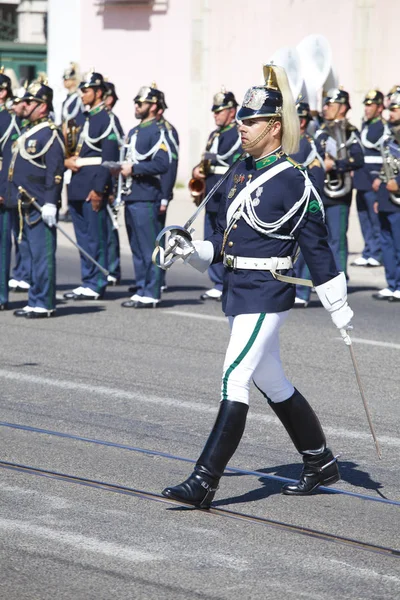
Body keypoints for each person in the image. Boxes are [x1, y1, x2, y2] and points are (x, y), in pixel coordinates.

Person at [160, 64, 353, 508]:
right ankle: (320, 460)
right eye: (241, 121)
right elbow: (230, 242)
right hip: (238, 289)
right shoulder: (239, 170)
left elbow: (318, 248)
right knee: (273, 380)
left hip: (268, 291)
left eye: (250, 122)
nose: (241, 129)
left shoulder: (294, 179)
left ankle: (204, 480)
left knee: (234, 378)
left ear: (274, 126)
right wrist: (188, 251)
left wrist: (337, 305)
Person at [9, 78, 64, 318]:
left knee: (42, 257)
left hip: (39, 205)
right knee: (30, 256)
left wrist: (51, 201)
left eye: (30, 101)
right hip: (23, 205)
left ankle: (44, 302)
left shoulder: (49, 133)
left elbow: (55, 172)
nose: (26, 105)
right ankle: (34, 299)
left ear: (42, 106)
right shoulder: (29, 131)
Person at [63, 70, 119, 301]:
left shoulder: (107, 119)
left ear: (98, 93)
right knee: (83, 238)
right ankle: (87, 280)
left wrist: (99, 190)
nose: (82, 94)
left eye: (86, 91)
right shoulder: (81, 119)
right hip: (76, 183)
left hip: (93, 185)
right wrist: (66, 160)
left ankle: (97, 282)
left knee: (96, 237)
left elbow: (108, 160)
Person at [116, 84, 169, 308]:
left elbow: (162, 163)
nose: (136, 107)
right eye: (136, 103)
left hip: (147, 196)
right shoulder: (135, 131)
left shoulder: (158, 131)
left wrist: (134, 169)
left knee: (150, 248)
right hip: (132, 195)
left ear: (153, 106)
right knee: (137, 248)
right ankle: (142, 287)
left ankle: (152, 292)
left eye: (141, 103)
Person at [191, 88, 242, 301]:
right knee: (210, 238)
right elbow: (208, 161)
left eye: (219, 111)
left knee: (226, 240)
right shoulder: (215, 135)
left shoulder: (238, 134)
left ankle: (226, 282)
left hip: (225, 193)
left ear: (232, 111)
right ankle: (216, 281)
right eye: (214, 111)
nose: (215, 114)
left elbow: (235, 166)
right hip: (211, 194)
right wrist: (196, 171)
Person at [315, 89, 364, 277]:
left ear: (342, 108)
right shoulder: (320, 131)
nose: (325, 108)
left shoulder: (350, 132)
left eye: (330, 105)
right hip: (320, 192)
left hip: (338, 196)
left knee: (337, 240)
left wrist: (334, 164)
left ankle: (339, 279)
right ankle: (320, 279)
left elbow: (358, 159)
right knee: (317, 238)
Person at [291, 98, 325, 307]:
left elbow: (317, 177)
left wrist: (310, 204)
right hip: (287, 207)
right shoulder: (287, 143)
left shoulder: (309, 144)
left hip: (303, 204)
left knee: (304, 251)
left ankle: (302, 292)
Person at [351, 90, 386, 267]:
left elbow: (384, 155)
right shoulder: (366, 125)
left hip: (374, 180)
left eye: (370, 105)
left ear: (380, 108)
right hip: (361, 179)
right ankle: (368, 251)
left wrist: (380, 177)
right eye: (366, 105)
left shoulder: (382, 127)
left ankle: (377, 253)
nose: (367, 108)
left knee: (375, 219)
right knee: (363, 217)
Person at [371, 92, 400, 302]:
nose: (391, 114)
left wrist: (397, 184)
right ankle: (392, 284)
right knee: (387, 242)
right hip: (386, 199)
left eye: (395, 109)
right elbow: (386, 167)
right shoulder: (389, 136)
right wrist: (378, 197)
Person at [0, 68, 23, 309]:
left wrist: (5, 191)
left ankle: (0, 294)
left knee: (1, 246)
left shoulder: (10, 120)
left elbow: (10, 161)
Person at [6, 92, 32, 294]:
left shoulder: (12, 122)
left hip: (18, 188)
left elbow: (9, 160)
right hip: (12, 187)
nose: (20, 107)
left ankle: (25, 273)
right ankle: (21, 272)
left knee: (21, 234)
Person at [156, 88, 179, 292]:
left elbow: (170, 165)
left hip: (157, 192)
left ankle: (157, 279)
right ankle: (150, 279)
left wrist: (165, 195)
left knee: (157, 240)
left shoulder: (167, 130)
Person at [104, 80, 124, 286]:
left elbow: (117, 153)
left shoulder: (111, 121)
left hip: (111, 181)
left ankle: (113, 268)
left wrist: (113, 186)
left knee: (110, 228)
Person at [59, 63, 84, 223]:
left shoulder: (77, 99)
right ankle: (66, 205)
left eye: (67, 79)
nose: (65, 82)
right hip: (66, 139)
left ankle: (71, 206)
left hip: (74, 141)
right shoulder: (67, 99)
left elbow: (76, 120)